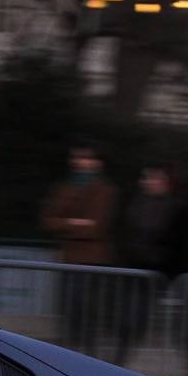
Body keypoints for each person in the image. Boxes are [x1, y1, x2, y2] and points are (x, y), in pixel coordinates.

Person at [40, 139, 117, 356]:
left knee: (86, 312)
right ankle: (69, 353)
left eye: (85, 157)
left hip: (92, 260)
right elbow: (48, 221)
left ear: (97, 162)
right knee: (69, 311)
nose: (79, 162)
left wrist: (66, 224)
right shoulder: (65, 187)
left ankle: (86, 355)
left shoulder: (105, 190)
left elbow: (96, 228)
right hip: (69, 259)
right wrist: (76, 223)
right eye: (76, 157)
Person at [115, 163, 188, 368]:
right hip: (140, 270)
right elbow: (130, 234)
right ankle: (117, 366)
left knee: (181, 328)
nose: (147, 182)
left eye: (153, 178)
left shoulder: (180, 206)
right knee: (130, 323)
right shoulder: (139, 204)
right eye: (146, 178)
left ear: (166, 182)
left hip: (169, 272)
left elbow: (182, 243)